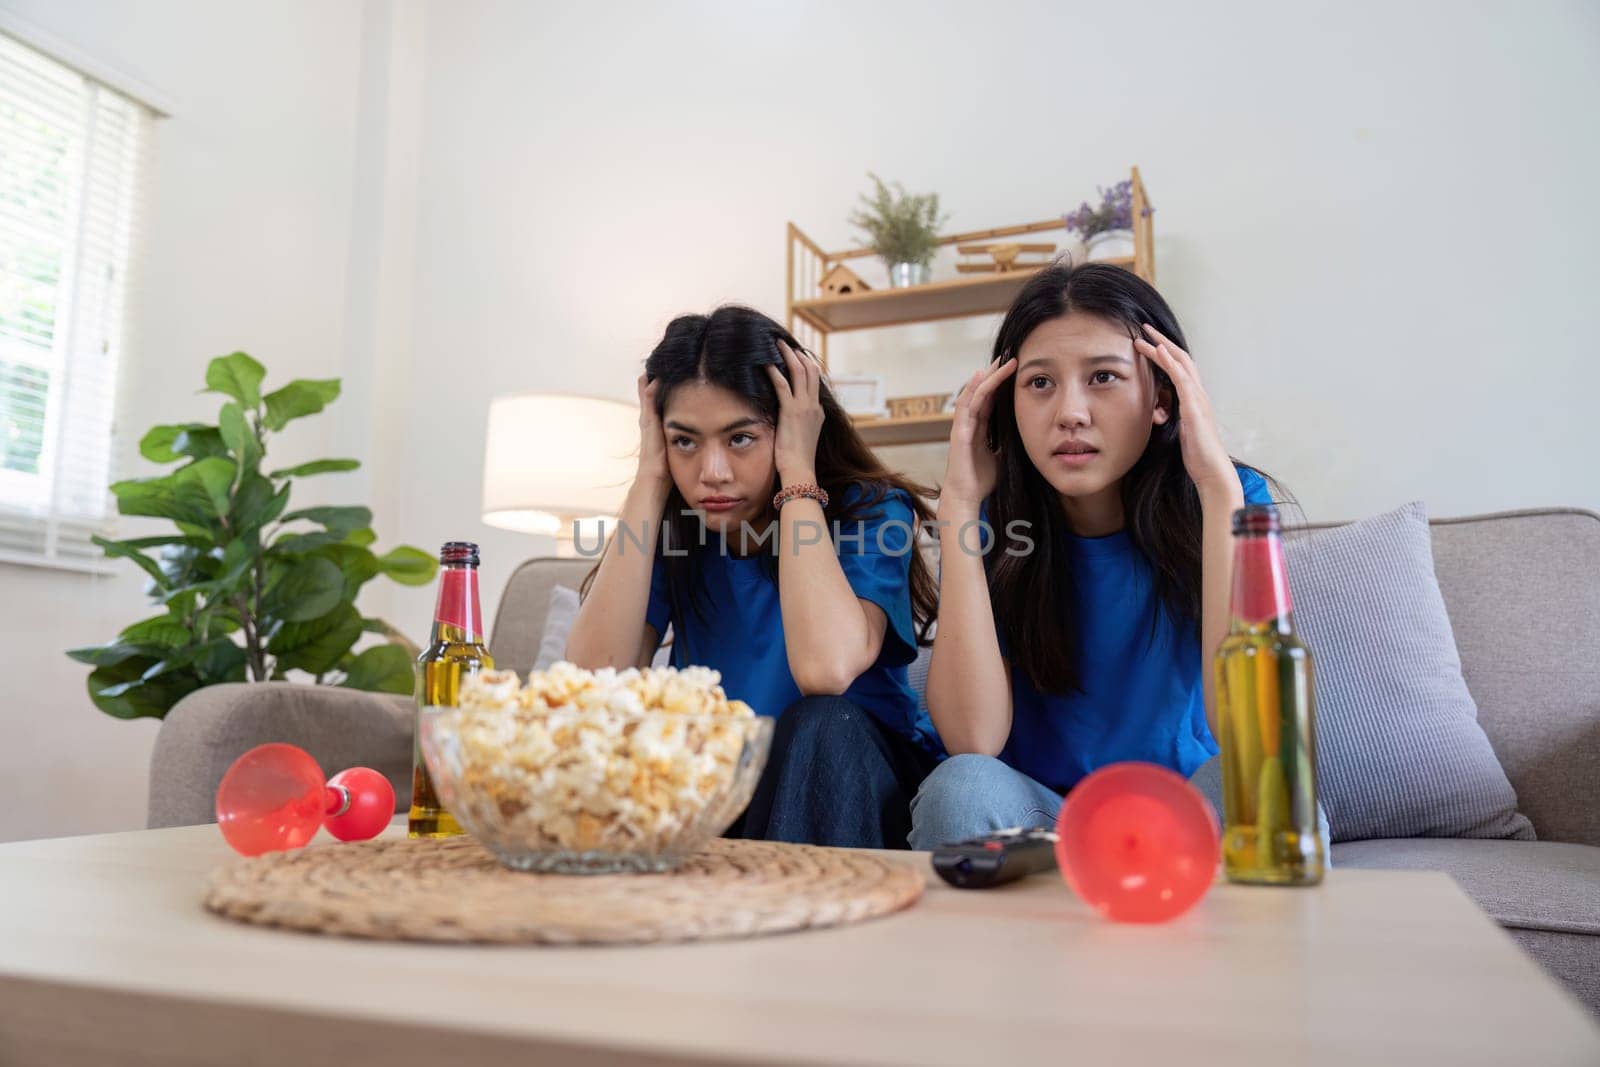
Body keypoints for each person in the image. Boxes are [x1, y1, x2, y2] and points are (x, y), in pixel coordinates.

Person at [911, 262, 1295, 849]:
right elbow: (974, 739)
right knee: (960, 788)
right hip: (1045, 822)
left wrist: (1218, 492)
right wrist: (959, 506)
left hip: (1183, 814)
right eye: (1040, 383)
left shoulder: (1231, 499)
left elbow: (1248, 732)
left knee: (1269, 784)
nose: (1070, 412)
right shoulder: (994, 521)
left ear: (1163, 396)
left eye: (1104, 378)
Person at [566, 305, 940, 848]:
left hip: (853, 786)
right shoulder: (678, 528)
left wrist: (797, 472)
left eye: (740, 438)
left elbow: (826, 670)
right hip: (724, 788)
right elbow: (591, 680)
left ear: (792, 428)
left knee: (820, 724)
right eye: (686, 441)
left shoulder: (873, 513)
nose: (711, 472)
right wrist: (650, 476)